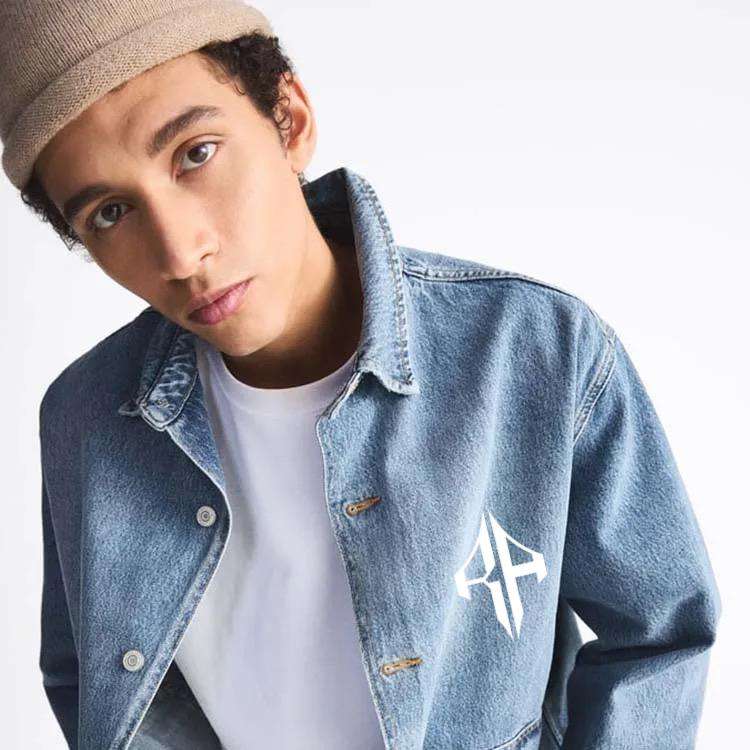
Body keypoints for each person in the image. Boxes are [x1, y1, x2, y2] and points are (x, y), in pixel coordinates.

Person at [0, 2, 722, 749]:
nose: (181, 254)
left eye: (196, 154)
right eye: (111, 213)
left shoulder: (533, 349)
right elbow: (92, 681)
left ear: (289, 119)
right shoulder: (88, 416)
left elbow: (658, 633)